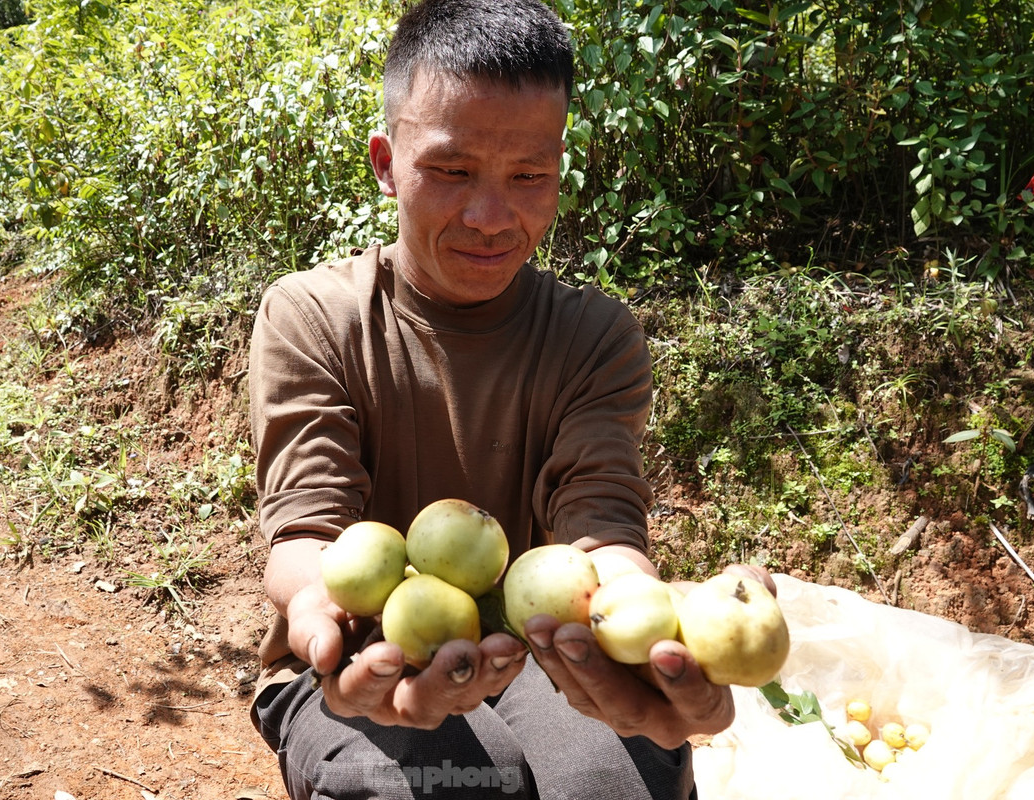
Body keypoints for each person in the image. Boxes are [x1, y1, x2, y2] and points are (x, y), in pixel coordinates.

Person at [248, 1, 771, 797]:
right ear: (386, 162)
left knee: (614, 784)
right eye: (452, 171)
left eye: (530, 176)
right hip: (361, 652)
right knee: (445, 784)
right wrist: (321, 605)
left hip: (539, 645)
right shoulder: (315, 316)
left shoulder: (595, 336)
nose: (492, 219)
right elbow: (307, 526)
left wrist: (640, 614)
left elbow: (601, 525)